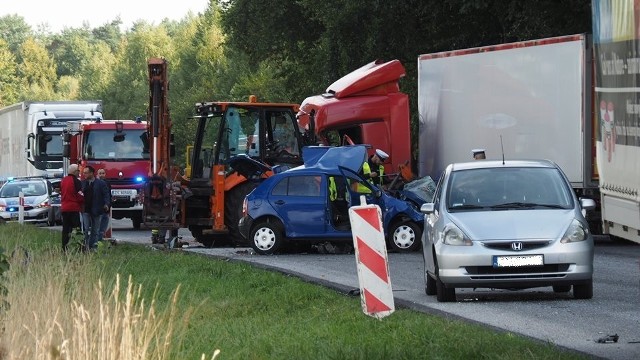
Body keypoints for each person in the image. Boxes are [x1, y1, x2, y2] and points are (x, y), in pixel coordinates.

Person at [81, 166, 111, 252]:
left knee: (95, 230)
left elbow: (106, 195)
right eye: (84, 173)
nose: (84, 174)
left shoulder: (101, 183)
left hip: (97, 210)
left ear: (91, 173)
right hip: (85, 210)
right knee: (85, 229)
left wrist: (106, 204)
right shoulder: (83, 183)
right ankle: (85, 247)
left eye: (86, 173)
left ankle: (93, 247)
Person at [60, 164, 84, 252]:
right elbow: (80, 195)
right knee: (77, 228)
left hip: (64, 208)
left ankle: (64, 248)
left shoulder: (63, 180)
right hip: (73, 208)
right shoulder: (76, 181)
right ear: (74, 172)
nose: (79, 172)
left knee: (66, 229)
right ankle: (80, 247)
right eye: (78, 171)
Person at [96, 168, 112, 243]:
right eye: (100, 173)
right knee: (97, 227)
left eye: (103, 173)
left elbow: (109, 196)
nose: (102, 175)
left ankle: (100, 241)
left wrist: (109, 205)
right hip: (98, 210)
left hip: (106, 209)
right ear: (97, 175)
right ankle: (96, 242)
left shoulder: (107, 183)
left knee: (103, 228)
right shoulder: (95, 183)